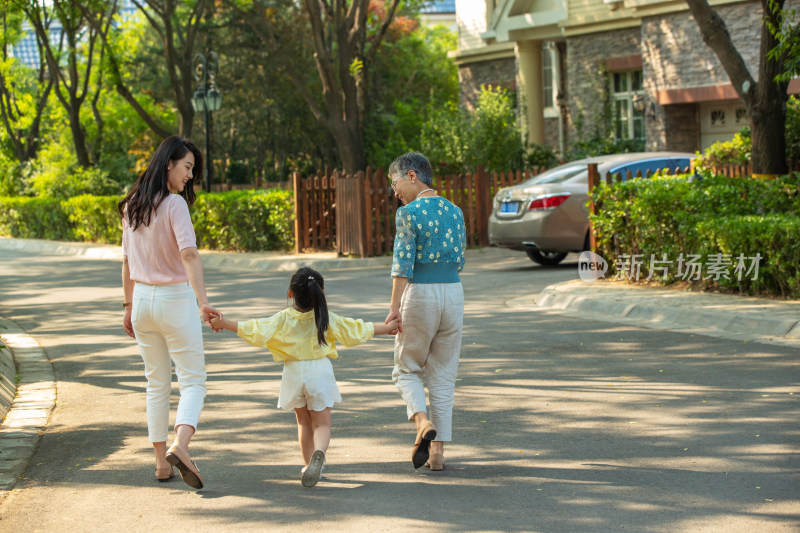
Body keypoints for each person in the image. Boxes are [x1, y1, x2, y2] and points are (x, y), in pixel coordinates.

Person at [209, 267, 399, 487]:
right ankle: (319, 454)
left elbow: (255, 329)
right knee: (322, 424)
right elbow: (356, 330)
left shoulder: (282, 319)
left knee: (303, 424)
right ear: (322, 293)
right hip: (319, 371)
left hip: (293, 373)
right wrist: (387, 328)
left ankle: (309, 463)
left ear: (291, 294)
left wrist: (223, 323)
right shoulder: (326, 317)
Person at [120, 135, 222, 490]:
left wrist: (129, 305)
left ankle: (161, 464)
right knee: (193, 380)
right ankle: (182, 445)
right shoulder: (175, 204)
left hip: (143, 302)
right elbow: (189, 254)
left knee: (156, 383)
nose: (190, 175)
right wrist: (202, 300)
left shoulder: (132, 203)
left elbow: (127, 260)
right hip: (174, 299)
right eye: (187, 167)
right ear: (169, 163)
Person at [385, 152, 467, 471]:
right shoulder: (455, 211)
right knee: (444, 376)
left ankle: (421, 422)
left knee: (406, 368)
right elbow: (459, 259)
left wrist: (394, 308)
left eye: (396, 183)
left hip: (421, 293)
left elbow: (402, 264)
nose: (395, 192)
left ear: (412, 176)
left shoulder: (409, 213)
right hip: (453, 292)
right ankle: (437, 454)